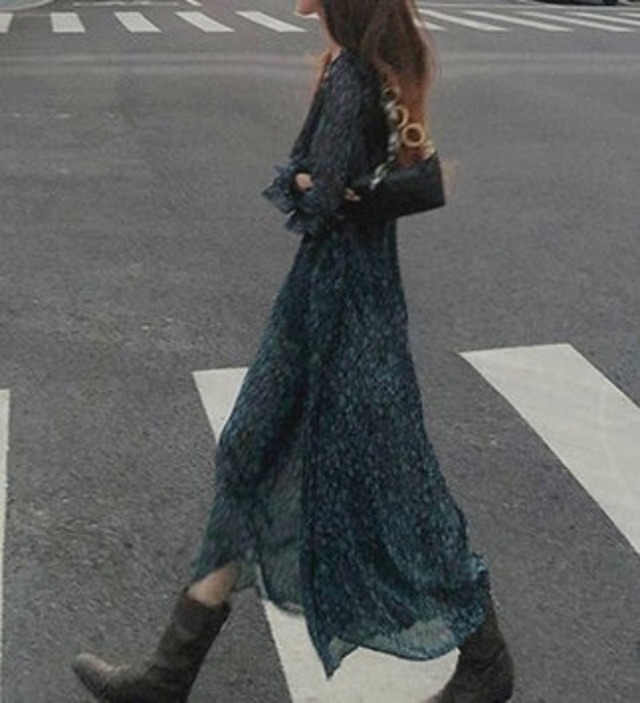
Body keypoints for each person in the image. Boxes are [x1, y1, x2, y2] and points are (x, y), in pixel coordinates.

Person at [72, 0, 515, 701]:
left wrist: (306, 183)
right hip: (342, 296)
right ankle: (168, 672)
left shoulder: (350, 77)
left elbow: (319, 197)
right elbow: (335, 186)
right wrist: (313, 184)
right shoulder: (359, 66)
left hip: (339, 304)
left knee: (396, 486)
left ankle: (486, 659)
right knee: (253, 452)